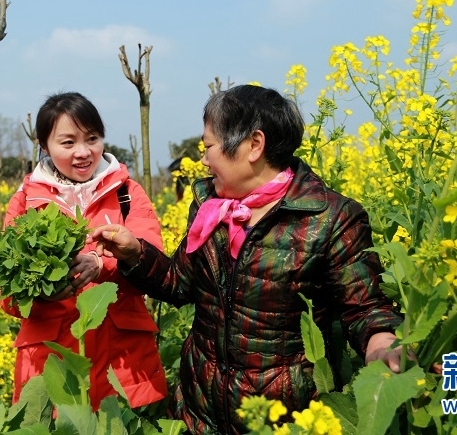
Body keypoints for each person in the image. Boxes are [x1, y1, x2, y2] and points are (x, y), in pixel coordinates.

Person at [93, 85, 408, 434]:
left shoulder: (330, 218)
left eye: (208, 146)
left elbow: (365, 308)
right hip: (201, 415)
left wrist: (382, 343)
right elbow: (181, 283)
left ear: (254, 145)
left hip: (283, 421)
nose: (203, 159)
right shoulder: (211, 209)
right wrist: (136, 254)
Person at [0, 92, 168, 410]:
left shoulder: (127, 194)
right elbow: (8, 293)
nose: (83, 152)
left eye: (92, 138)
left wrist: (102, 264)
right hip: (50, 363)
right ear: (44, 144)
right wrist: (44, 290)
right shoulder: (25, 202)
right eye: (67, 142)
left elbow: (156, 269)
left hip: (123, 362)